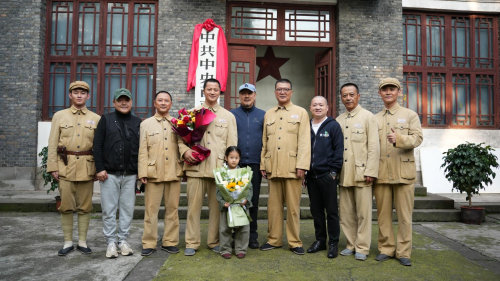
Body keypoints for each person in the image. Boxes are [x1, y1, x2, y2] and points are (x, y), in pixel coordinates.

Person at [180, 78, 238, 256]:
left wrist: (230, 168)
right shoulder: (192, 113)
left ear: (220, 92)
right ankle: (192, 242)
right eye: (209, 89)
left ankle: (214, 241)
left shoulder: (228, 116)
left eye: (216, 89)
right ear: (203, 91)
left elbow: (232, 144)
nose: (212, 92)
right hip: (196, 168)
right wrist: (185, 152)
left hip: (218, 169)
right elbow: (180, 139)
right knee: (193, 208)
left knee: (216, 209)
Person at [47, 81, 100, 256]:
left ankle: (82, 241)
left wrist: (98, 168)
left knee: (85, 206)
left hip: (87, 167)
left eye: (83, 93)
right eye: (75, 92)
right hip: (65, 166)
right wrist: (53, 166)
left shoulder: (96, 118)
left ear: (88, 96)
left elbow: (98, 146)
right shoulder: (59, 116)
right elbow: (53, 142)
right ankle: (68, 241)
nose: (79, 95)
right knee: (66, 206)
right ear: (70, 95)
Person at [374, 77, 423, 266]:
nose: (388, 92)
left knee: (404, 216)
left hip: (404, 173)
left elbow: (417, 138)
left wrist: (399, 138)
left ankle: (403, 252)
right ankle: (386, 248)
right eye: (384, 89)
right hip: (382, 173)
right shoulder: (374, 118)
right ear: (380, 93)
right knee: (383, 215)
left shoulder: (410, 115)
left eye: (392, 89)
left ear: (399, 92)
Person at [259, 78, 311, 255]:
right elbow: (265, 142)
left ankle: (295, 242)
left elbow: (305, 141)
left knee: (293, 208)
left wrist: (302, 165)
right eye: (279, 89)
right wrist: (263, 164)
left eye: (286, 89)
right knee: (273, 207)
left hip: (293, 168)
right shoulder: (269, 114)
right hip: (273, 166)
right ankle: (273, 239)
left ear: (291, 92)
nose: (282, 92)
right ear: (275, 92)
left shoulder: (301, 112)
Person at [93, 88, 141, 258]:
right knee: (109, 209)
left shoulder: (137, 122)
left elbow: (141, 149)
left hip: (130, 174)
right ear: (114, 102)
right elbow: (97, 145)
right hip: (109, 174)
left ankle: (123, 241)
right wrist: (99, 168)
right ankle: (111, 242)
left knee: (127, 209)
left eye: (126, 100)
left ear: (131, 102)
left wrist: (140, 173)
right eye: (120, 100)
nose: (123, 103)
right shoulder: (106, 119)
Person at [337, 83, 379, 261]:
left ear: (358, 96)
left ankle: (362, 246)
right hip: (344, 173)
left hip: (363, 173)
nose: (348, 98)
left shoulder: (368, 117)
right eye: (345, 95)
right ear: (341, 98)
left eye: (351, 95)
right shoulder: (338, 120)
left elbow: (374, 147)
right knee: (346, 213)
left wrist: (371, 171)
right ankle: (350, 244)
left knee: (363, 213)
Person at [138, 91, 183, 256]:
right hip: (153, 172)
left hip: (173, 171)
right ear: (154, 103)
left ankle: (169, 241)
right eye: (160, 100)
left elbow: (181, 147)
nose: (163, 103)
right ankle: (149, 243)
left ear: (171, 104)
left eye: (166, 101)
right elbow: (142, 150)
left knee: (173, 209)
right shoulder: (146, 124)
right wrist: (142, 171)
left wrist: (183, 168)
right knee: (151, 210)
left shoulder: (178, 123)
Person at [305, 96, 344, 259]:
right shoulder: (306, 126)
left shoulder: (333, 126)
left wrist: (333, 172)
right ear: (310, 107)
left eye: (321, 105)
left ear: (327, 107)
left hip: (327, 175)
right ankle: (320, 240)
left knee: (332, 211)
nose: (318, 107)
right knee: (316, 211)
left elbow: (338, 150)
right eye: (315, 105)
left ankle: (333, 243)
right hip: (311, 176)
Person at [230, 83, 265, 249]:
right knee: (234, 200)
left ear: (255, 95)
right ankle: (235, 235)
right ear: (239, 96)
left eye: (249, 93)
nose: (246, 96)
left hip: (255, 165)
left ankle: (252, 235)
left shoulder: (263, 115)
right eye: (243, 93)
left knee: (253, 201)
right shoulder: (232, 115)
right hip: (236, 166)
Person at [216, 146, 253, 259]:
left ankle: (241, 249)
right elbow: (218, 190)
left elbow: (249, 188)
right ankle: (225, 249)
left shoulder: (244, 173)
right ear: (226, 158)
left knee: (243, 228)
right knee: (225, 228)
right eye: (231, 157)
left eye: (236, 158)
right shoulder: (221, 173)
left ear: (239, 159)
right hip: (227, 206)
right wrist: (223, 202)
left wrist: (246, 200)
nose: (234, 160)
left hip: (241, 205)